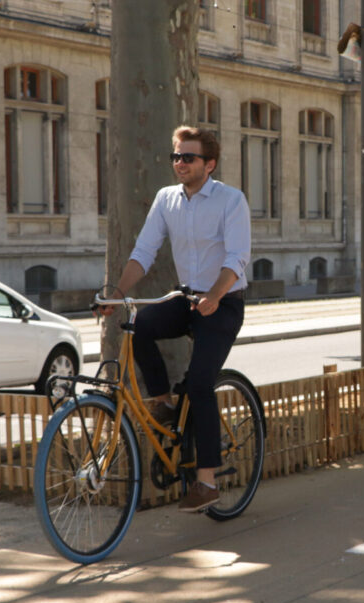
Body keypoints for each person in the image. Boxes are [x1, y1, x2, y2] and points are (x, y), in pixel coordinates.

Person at [98, 126, 251, 512]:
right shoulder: (167, 199)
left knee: (200, 383)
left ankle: (207, 481)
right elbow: (144, 250)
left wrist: (215, 297)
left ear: (209, 164)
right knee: (140, 325)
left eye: (189, 157)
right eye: (176, 157)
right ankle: (163, 401)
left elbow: (236, 257)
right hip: (186, 298)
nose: (180, 163)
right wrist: (116, 294)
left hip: (224, 301)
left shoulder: (231, 201)